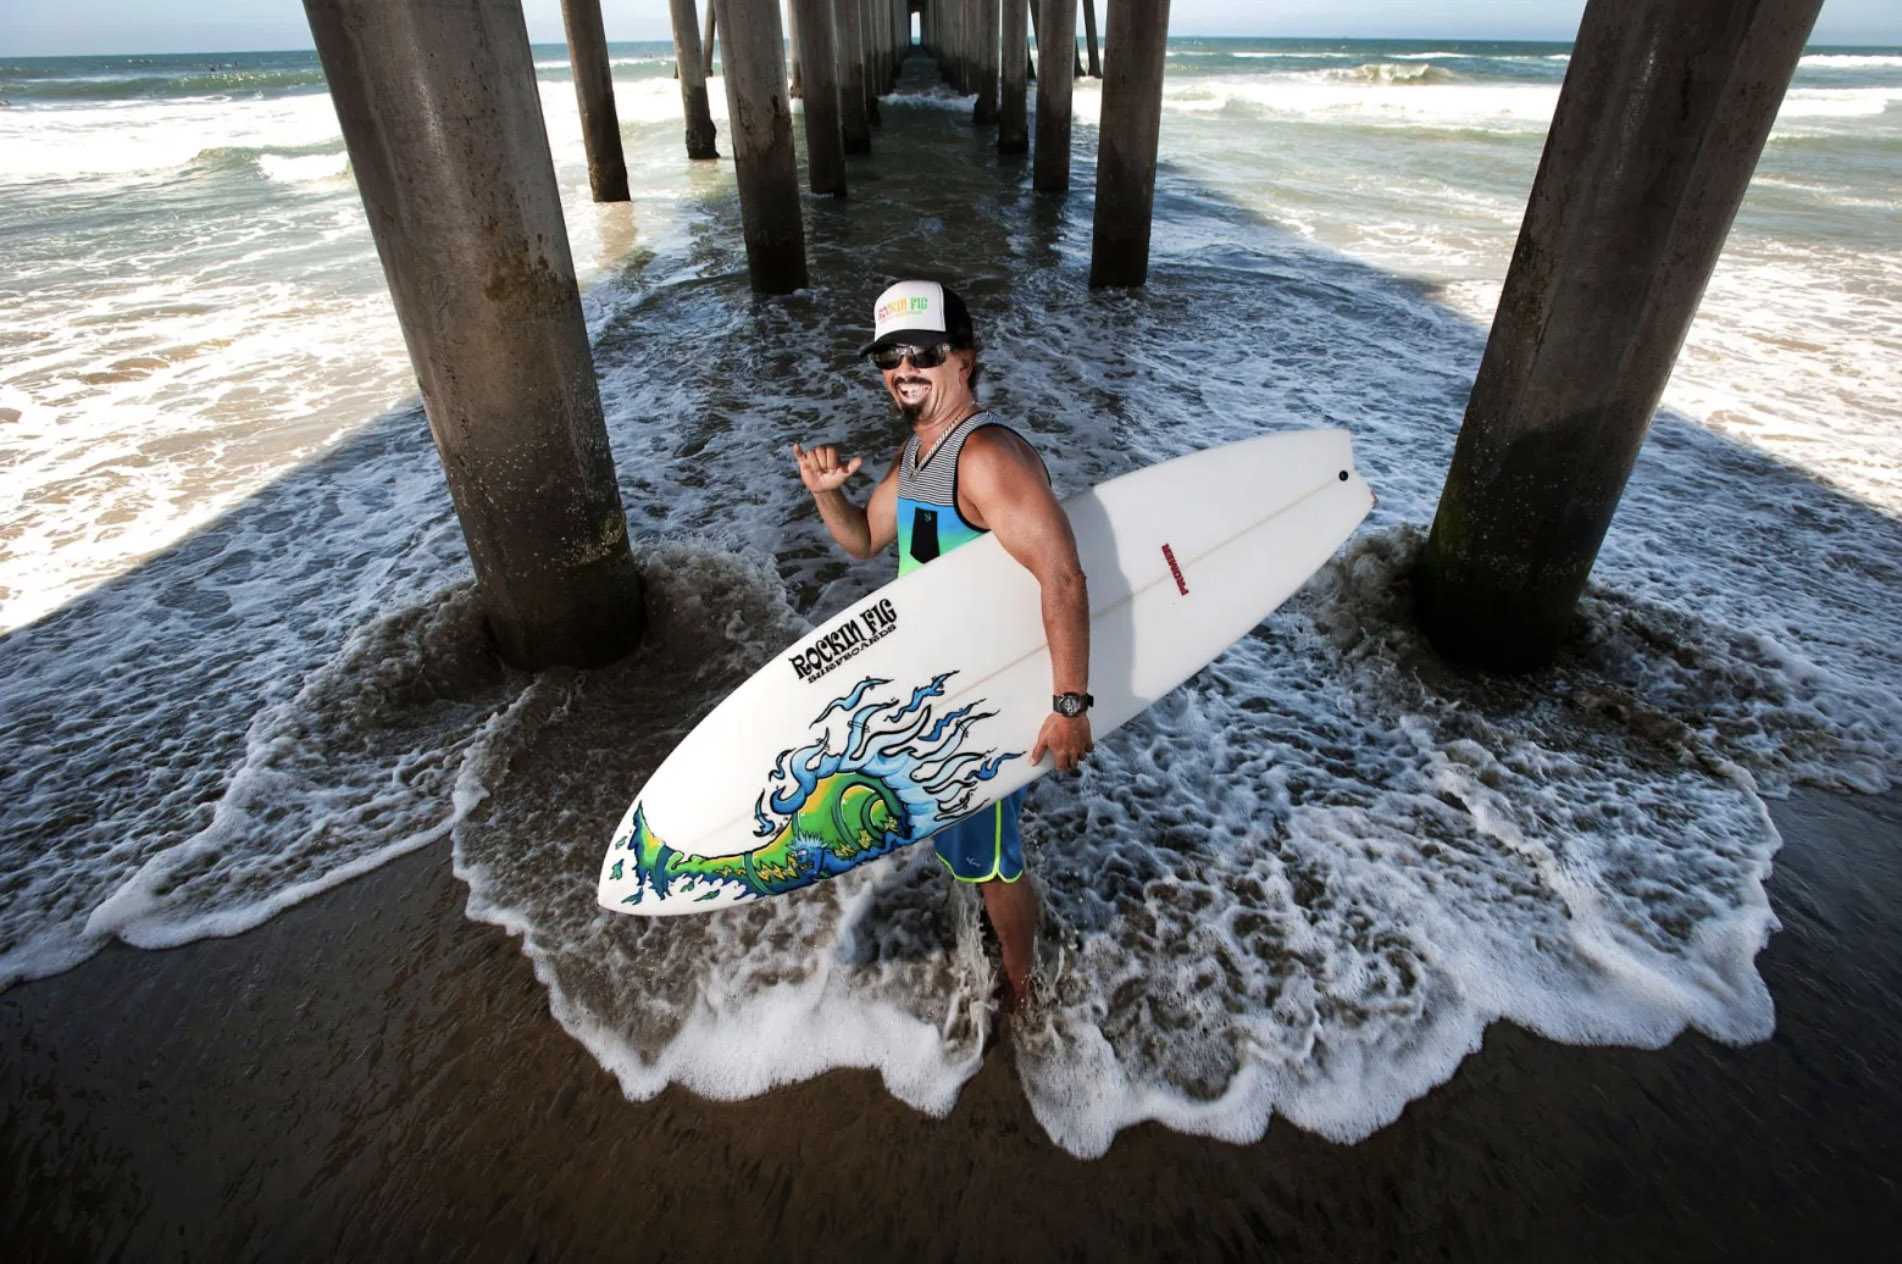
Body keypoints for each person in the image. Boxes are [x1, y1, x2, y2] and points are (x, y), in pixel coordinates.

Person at [791, 279, 1092, 1013]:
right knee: (975, 854)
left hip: (978, 700)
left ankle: (1025, 990)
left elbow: (1063, 576)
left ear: (964, 358)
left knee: (994, 866)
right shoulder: (922, 453)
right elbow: (866, 539)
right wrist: (828, 493)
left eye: (922, 352)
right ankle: (1015, 951)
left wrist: (1068, 704)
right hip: (940, 696)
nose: (903, 370)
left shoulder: (986, 457)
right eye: (888, 357)